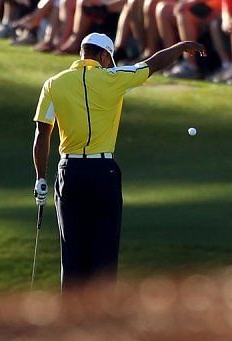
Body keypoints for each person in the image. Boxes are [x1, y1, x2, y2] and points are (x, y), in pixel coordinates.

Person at [32, 32, 206, 289]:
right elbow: (153, 63)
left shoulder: (53, 84)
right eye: (110, 59)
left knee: (72, 253)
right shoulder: (113, 78)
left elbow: (42, 133)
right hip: (103, 171)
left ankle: (70, 320)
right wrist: (181, 46)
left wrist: (40, 178)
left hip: (69, 172)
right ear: (103, 55)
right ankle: (104, 320)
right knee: (104, 251)